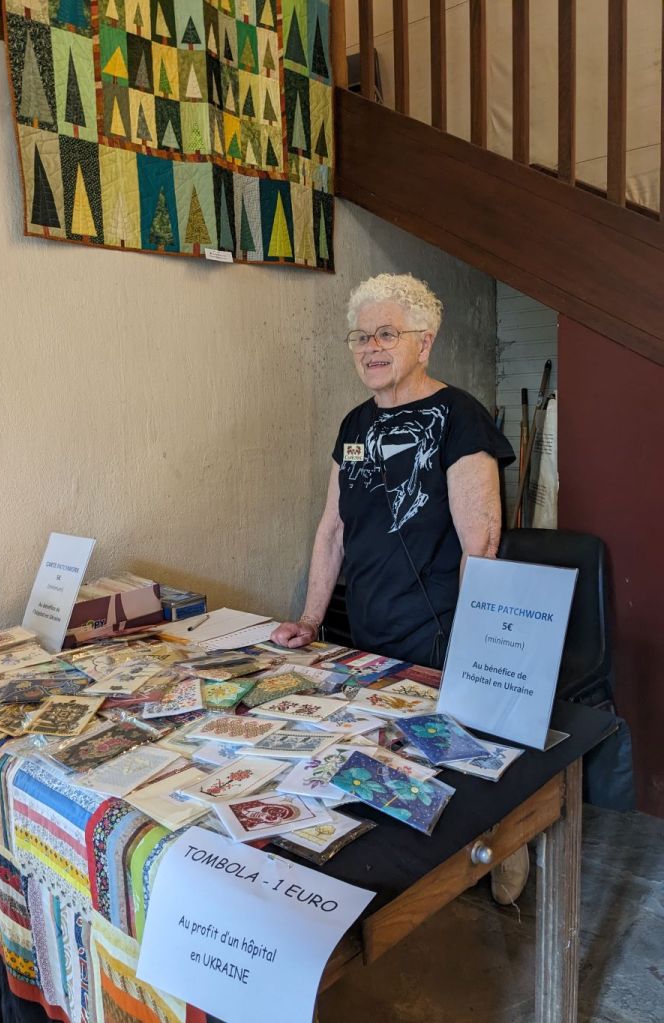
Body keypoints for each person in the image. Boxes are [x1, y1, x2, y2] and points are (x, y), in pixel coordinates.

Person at [271, 272, 527, 904]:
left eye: (387, 333)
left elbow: (482, 545)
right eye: (361, 336)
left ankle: (504, 841)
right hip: (369, 629)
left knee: (456, 755)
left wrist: (471, 650)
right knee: (390, 760)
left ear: (424, 342)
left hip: (438, 628)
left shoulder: (460, 417)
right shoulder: (354, 425)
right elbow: (332, 529)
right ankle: (416, 875)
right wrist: (310, 619)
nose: (372, 347)